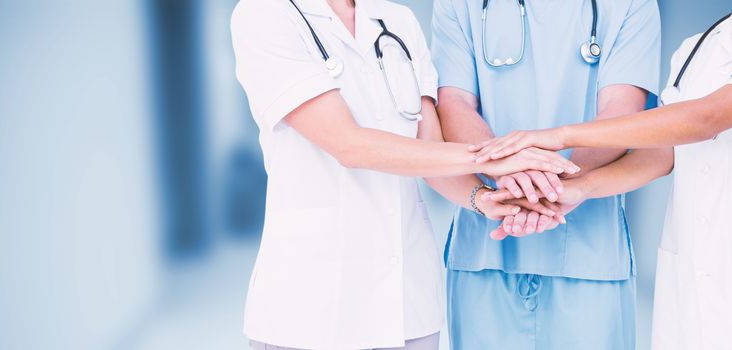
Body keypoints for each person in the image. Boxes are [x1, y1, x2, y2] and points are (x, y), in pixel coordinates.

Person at [230, 0, 577, 349]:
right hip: (311, 306)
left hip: (406, 304)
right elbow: (348, 145)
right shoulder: (265, 14)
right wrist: (493, 159)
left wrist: (484, 199)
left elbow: (432, 153)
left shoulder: (397, 20)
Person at [471, 13, 732, 349]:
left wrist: (561, 136)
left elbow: (706, 119)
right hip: (692, 279)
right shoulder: (698, 47)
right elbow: (664, 153)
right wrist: (577, 188)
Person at [429, 0, 664, 348]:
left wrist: (540, 184)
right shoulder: (458, 4)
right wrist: (511, 173)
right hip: (485, 250)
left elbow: (622, 112)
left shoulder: (631, 4)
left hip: (589, 255)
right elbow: (453, 104)